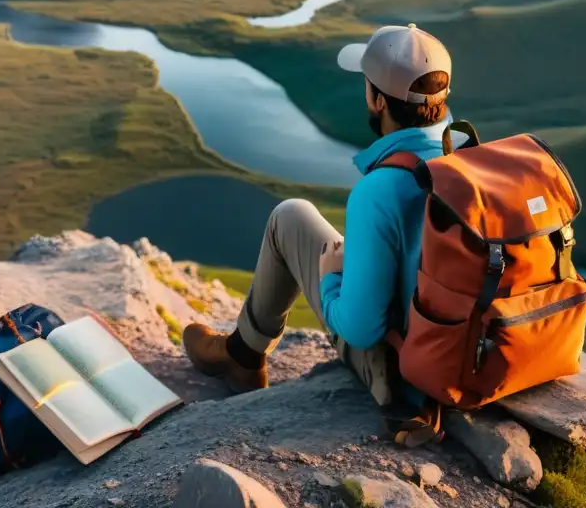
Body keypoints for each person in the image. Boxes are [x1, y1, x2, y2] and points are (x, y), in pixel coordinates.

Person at [183, 23, 462, 446]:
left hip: (405, 368)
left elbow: (360, 330)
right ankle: (240, 353)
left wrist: (332, 275)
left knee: (290, 217)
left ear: (378, 99)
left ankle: (241, 357)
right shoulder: (464, 156)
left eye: (367, 86)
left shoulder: (380, 190)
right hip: (466, 351)